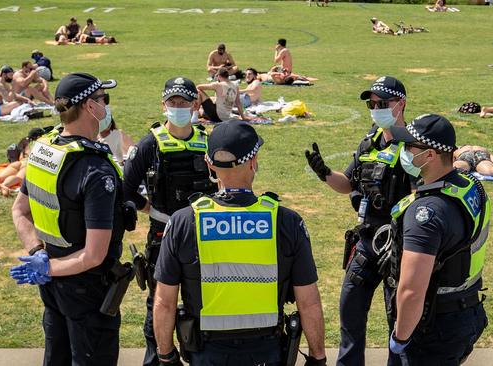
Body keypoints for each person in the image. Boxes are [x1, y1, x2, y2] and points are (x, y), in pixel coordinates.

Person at [153, 121, 327, 366]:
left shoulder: (184, 221)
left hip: (206, 352)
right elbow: (308, 302)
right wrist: (318, 357)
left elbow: (164, 302)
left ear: (209, 164)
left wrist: (166, 355)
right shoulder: (286, 221)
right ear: (253, 160)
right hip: (266, 352)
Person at [9, 72, 133, 366]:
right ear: (90, 106)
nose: (106, 107)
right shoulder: (96, 170)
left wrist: (39, 255)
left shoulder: (44, 149)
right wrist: (49, 266)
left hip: (52, 283)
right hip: (86, 288)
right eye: (104, 100)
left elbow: (19, 210)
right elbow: (93, 255)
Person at [305, 76, 413, 366]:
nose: (376, 108)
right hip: (366, 243)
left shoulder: (413, 147)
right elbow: (347, 183)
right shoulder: (369, 142)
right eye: (372, 104)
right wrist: (325, 173)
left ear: (400, 104)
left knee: (398, 321)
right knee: (349, 313)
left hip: (399, 249)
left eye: (383, 104)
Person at [122, 76, 218, 366]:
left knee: (201, 299)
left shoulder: (208, 141)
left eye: (184, 102)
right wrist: (146, 206)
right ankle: (158, 358)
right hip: (162, 232)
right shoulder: (150, 143)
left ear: (195, 105)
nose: (178, 107)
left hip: (204, 234)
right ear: (163, 104)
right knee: (159, 302)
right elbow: (126, 187)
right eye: (172, 102)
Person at [386, 114, 489, 365]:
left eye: (410, 145)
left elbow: (411, 291)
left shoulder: (425, 214)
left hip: (434, 326)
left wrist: (400, 339)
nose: (405, 150)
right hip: (467, 310)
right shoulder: (469, 186)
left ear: (430, 155)